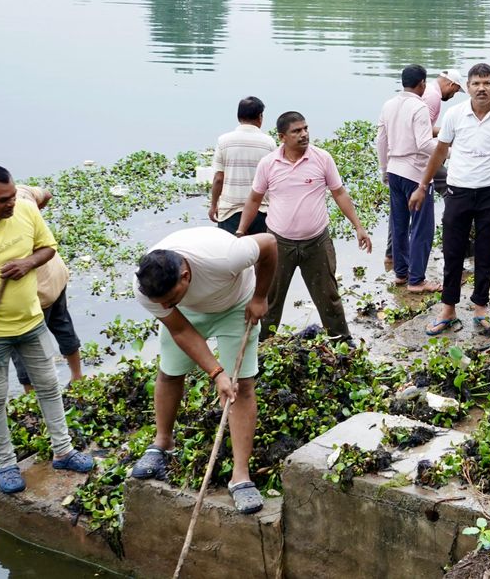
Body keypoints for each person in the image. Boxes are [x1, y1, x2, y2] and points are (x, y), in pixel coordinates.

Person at [0, 165, 94, 495]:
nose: (11, 204)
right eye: (2, 200)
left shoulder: (26, 210)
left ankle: (64, 451)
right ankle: (8, 464)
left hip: (31, 322)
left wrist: (28, 263)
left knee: (49, 386)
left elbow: (48, 247)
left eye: (13, 196)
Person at [129, 227, 278, 515]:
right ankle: (163, 443)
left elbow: (270, 244)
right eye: (161, 303)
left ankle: (241, 476)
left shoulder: (227, 257)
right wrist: (215, 372)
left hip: (236, 303)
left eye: (170, 299)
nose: (164, 305)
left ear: (185, 276)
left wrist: (260, 296)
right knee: (170, 372)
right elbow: (181, 329)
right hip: (189, 314)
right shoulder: (149, 288)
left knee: (241, 386)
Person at [411, 63, 490, 334]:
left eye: (487, 83)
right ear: (467, 87)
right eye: (476, 83)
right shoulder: (454, 115)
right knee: (453, 251)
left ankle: (480, 307)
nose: (481, 88)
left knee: (486, 253)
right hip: (458, 192)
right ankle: (448, 309)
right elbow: (439, 153)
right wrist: (422, 185)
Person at [237, 111, 368, 342]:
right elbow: (254, 199)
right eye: (296, 131)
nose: (304, 134)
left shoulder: (322, 158)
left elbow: (339, 193)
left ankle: (342, 344)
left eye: (305, 128)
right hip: (278, 244)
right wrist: (240, 231)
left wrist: (358, 226)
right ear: (282, 137)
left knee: (328, 297)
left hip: (317, 242)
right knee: (269, 299)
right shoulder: (269, 164)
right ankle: (263, 347)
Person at [0, 183, 83, 392]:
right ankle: (77, 377)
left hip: (37, 289)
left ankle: (30, 394)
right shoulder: (22, 192)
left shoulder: (12, 216)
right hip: (57, 276)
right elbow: (46, 194)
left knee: (22, 343)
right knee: (62, 325)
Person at [377, 66, 440, 293]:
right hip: (415, 173)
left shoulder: (389, 105)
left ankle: (401, 273)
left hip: (394, 170)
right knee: (422, 228)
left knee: (399, 224)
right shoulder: (419, 107)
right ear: (422, 84)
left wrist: (384, 169)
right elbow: (424, 144)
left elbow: (381, 140)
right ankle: (417, 280)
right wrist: (448, 150)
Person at [209, 96, 277, 236]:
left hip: (230, 212)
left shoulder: (224, 141)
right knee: (260, 256)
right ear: (260, 117)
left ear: (238, 116)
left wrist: (214, 204)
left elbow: (218, 179)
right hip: (260, 211)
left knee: (232, 255)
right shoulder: (269, 143)